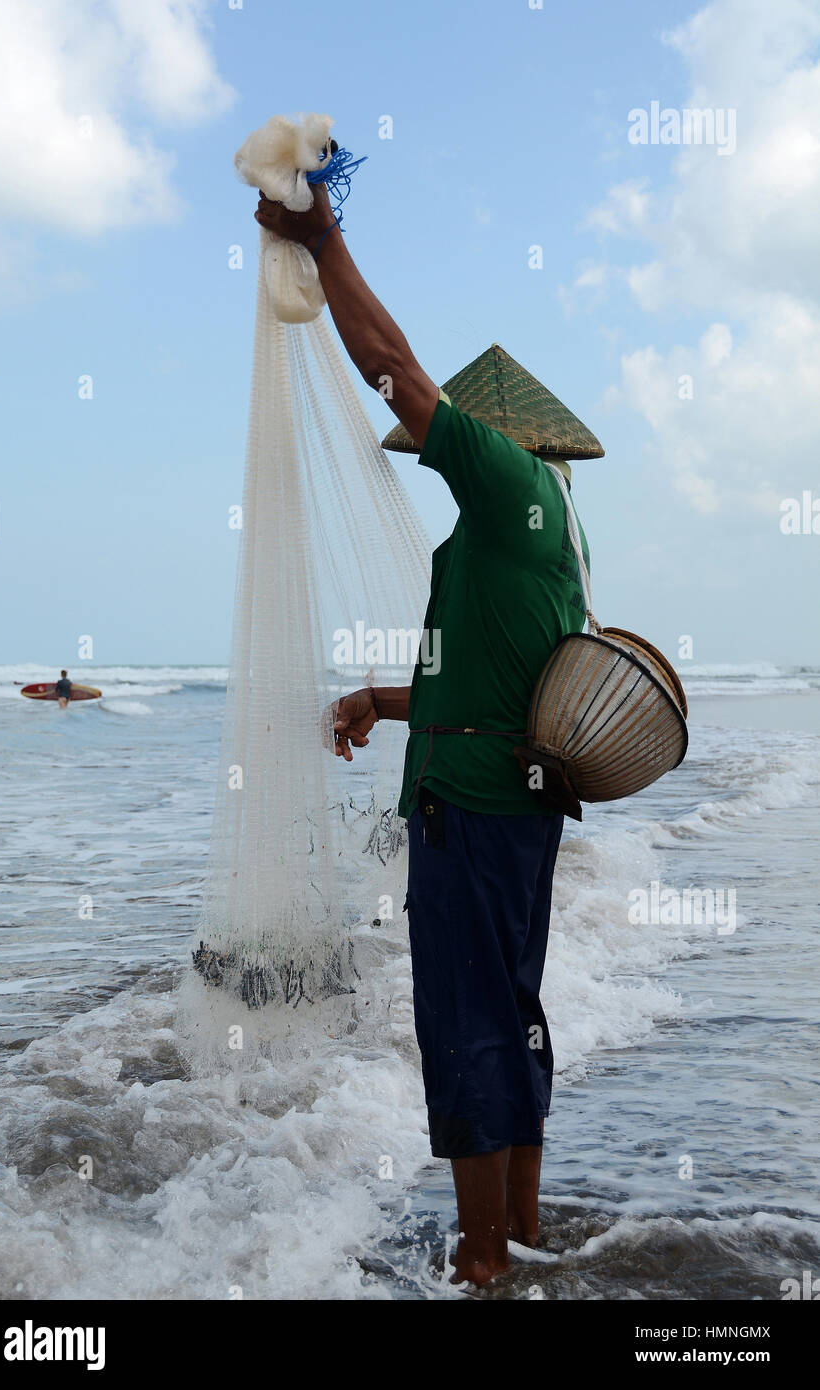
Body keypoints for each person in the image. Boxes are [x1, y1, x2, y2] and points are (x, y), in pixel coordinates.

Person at [254, 181, 598, 1288]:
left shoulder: (500, 485)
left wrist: (325, 242)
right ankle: (521, 1225)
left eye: (454, 431)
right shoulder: (544, 530)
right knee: (513, 1013)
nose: (433, 438)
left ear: (493, 436)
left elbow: (389, 366)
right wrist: (382, 700)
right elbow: (506, 684)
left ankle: (481, 1256)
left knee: (464, 1026)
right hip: (514, 802)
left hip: (474, 819)